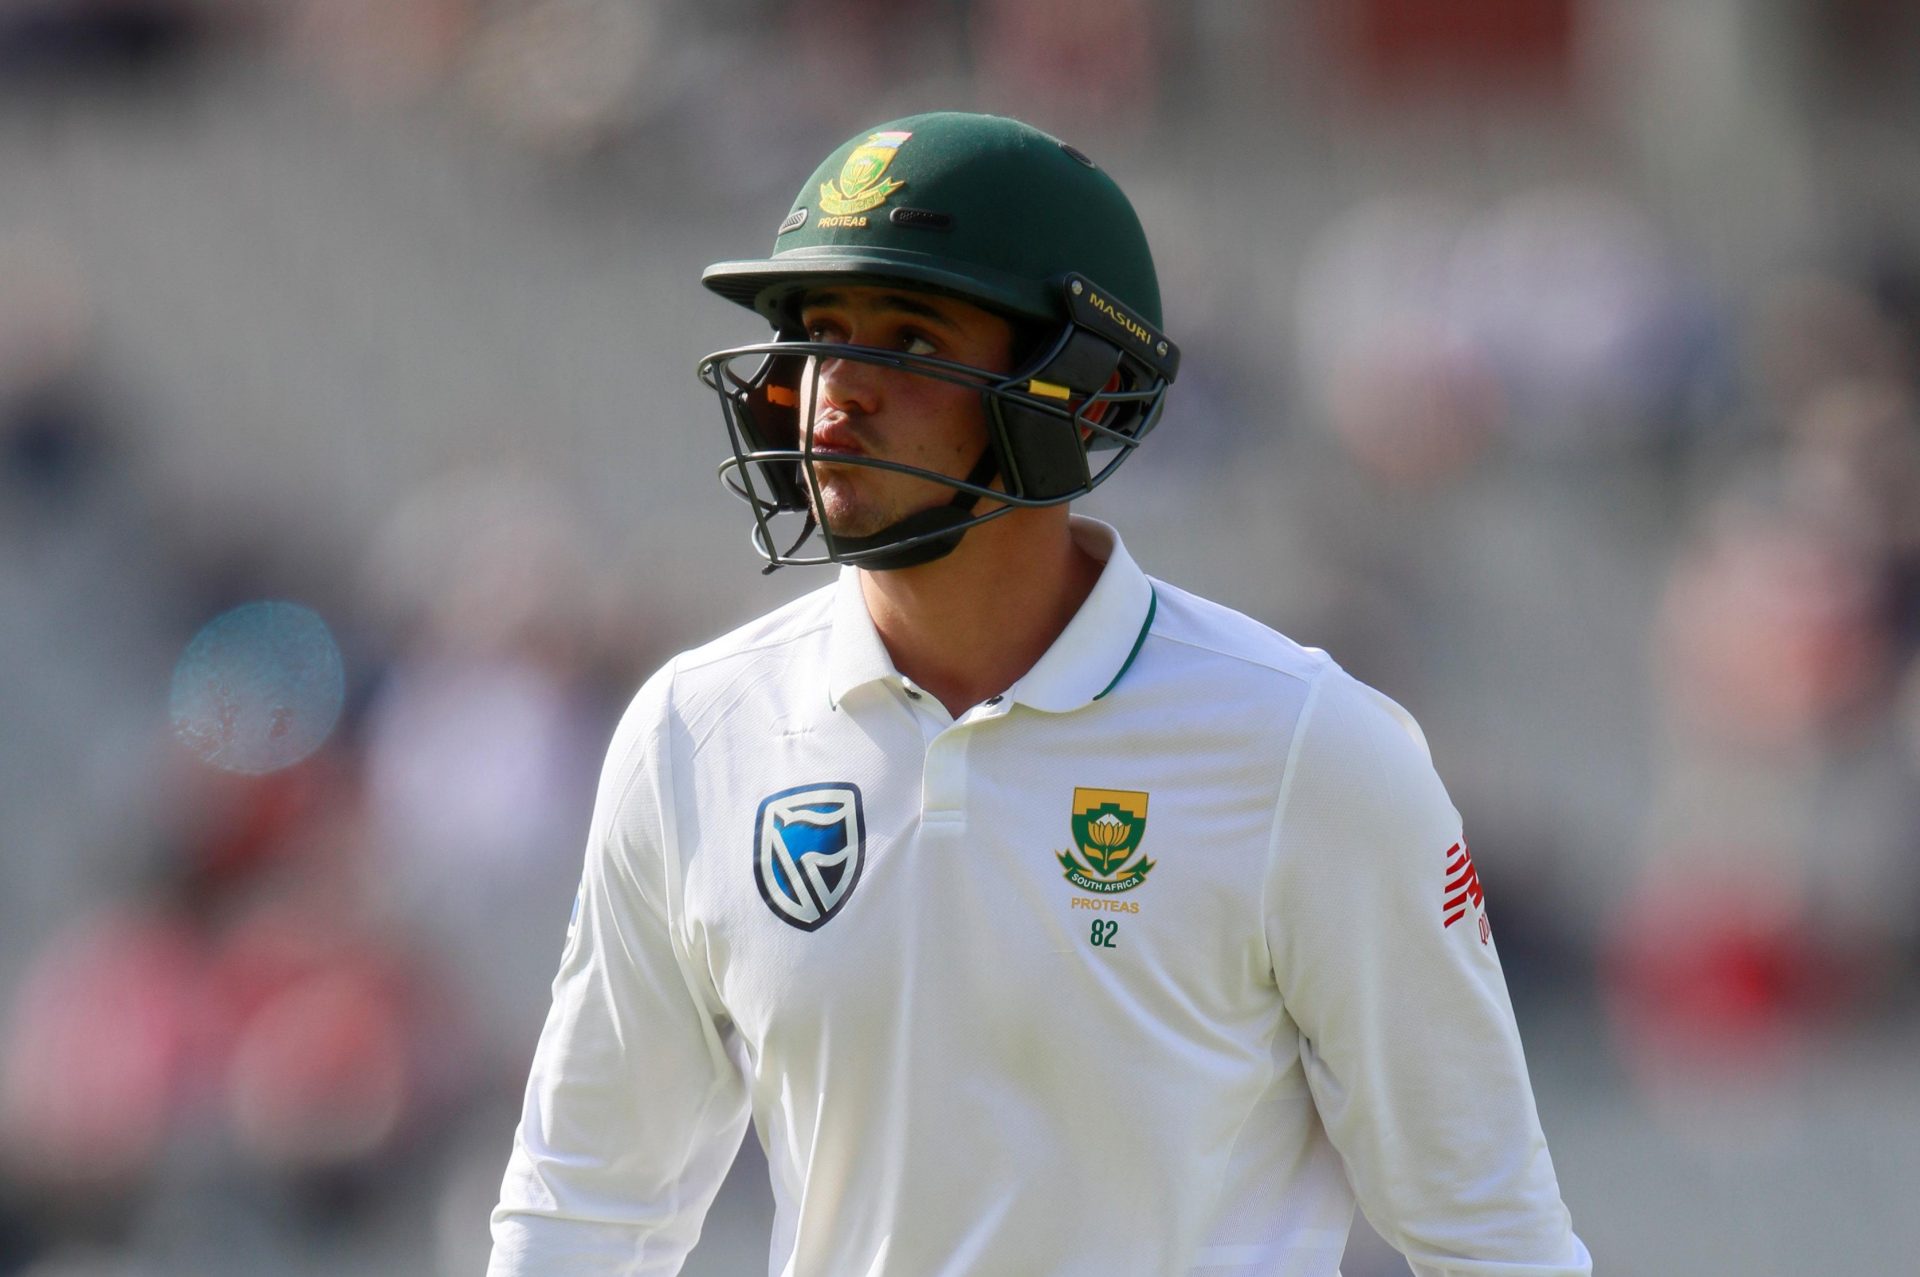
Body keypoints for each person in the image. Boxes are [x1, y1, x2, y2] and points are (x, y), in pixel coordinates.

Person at [489, 111, 1591, 1276]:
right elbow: (584, 1209)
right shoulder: (695, 730)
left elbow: (1493, 1237)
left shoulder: (1307, 744)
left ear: (1080, 388)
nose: (834, 393)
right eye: (818, 335)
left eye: (909, 340)